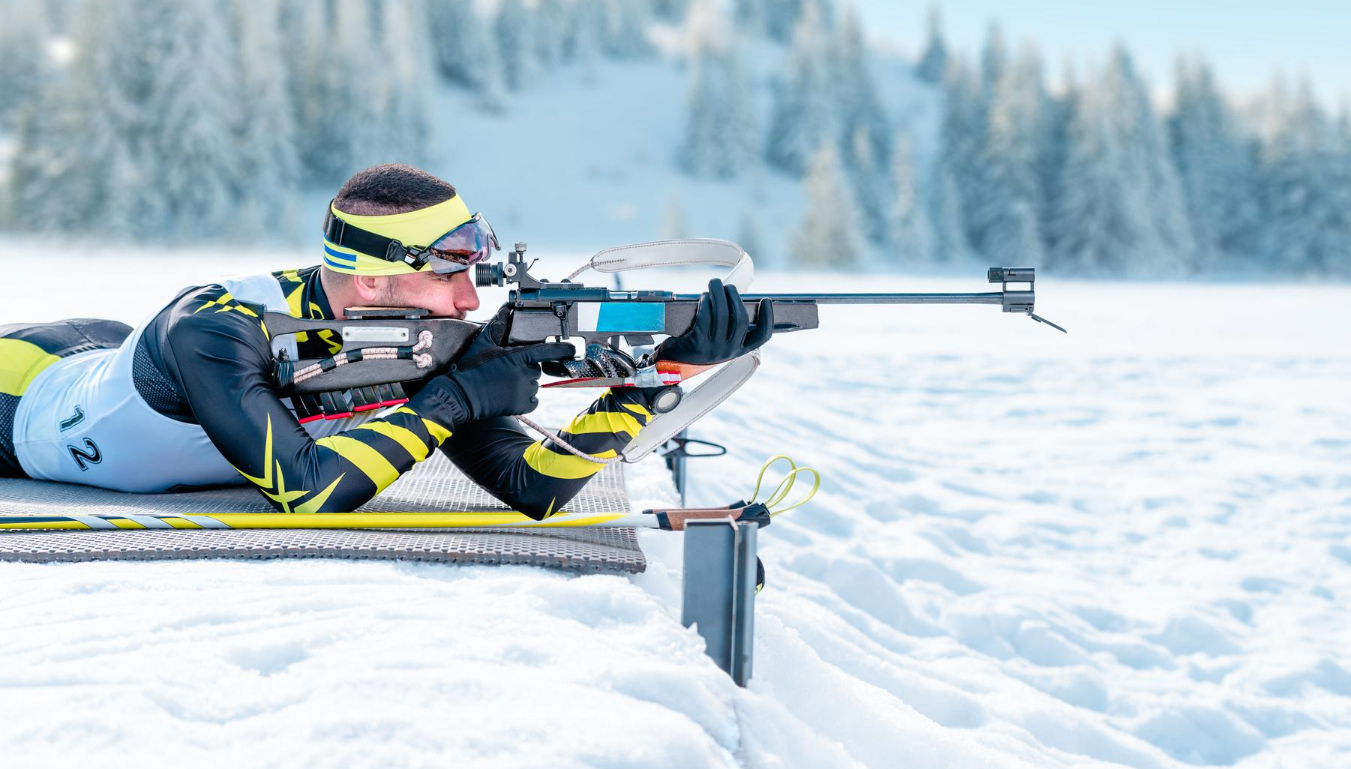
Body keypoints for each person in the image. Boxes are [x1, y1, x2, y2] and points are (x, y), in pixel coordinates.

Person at [0, 163, 773, 517]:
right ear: (371, 280)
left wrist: (659, 375)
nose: (471, 300)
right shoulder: (214, 329)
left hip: (100, 357)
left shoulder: (422, 343)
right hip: (20, 387)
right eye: (451, 274)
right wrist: (454, 399)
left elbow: (534, 485)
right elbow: (308, 492)